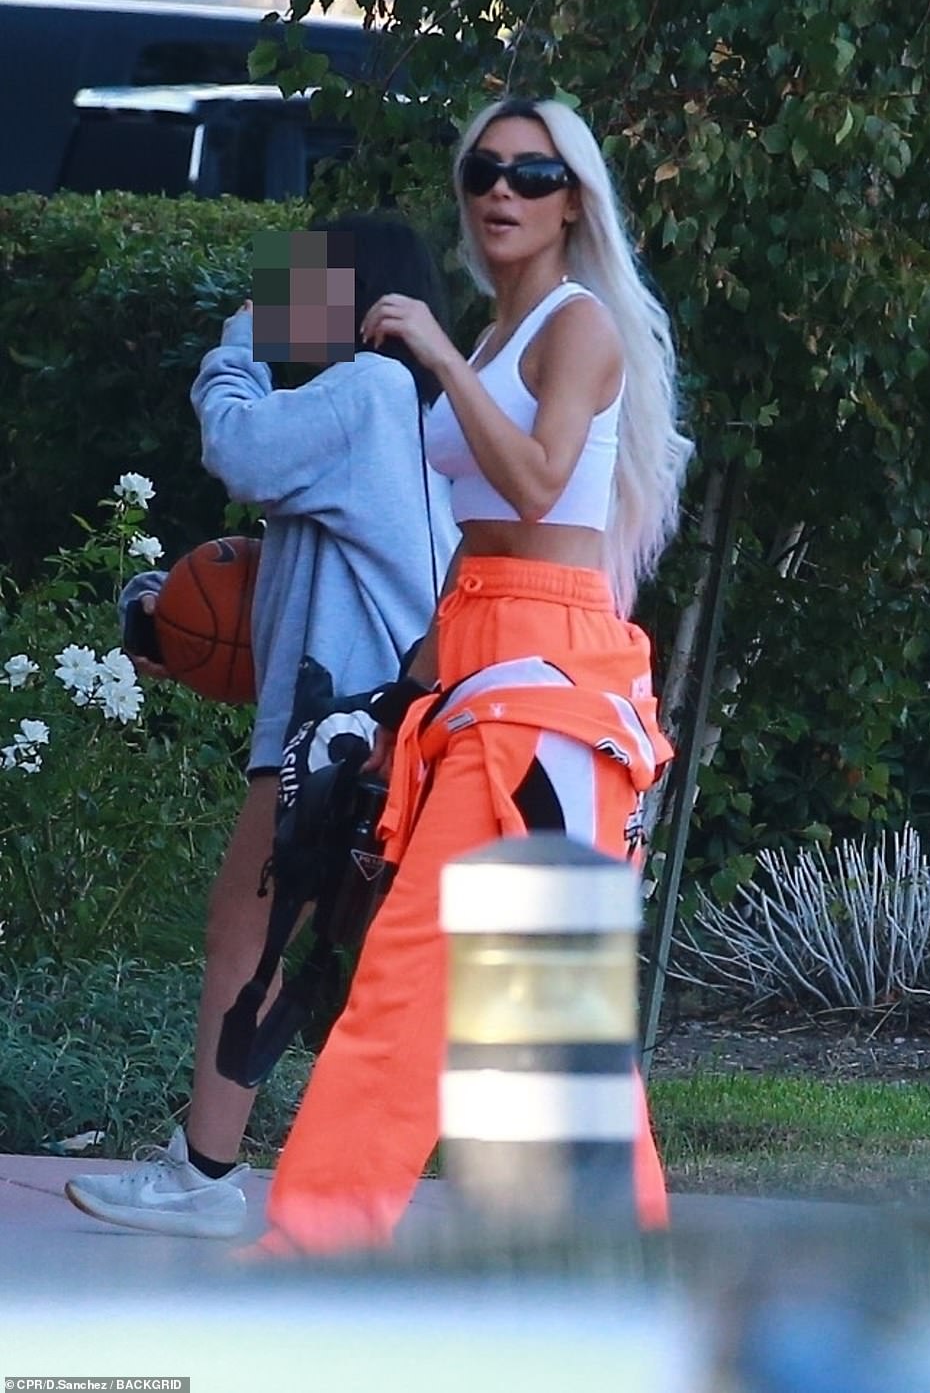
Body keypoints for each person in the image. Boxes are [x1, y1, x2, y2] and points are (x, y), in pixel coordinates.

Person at [257, 97, 694, 1256]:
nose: (502, 190)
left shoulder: (573, 325)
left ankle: (314, 1247)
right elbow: (478, 534)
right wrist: (407, 683)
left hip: (544, 681)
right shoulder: (501, 334)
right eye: (484, 170)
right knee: (540, 1014)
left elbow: (542, 486)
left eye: (533, 173)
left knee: (417, 971)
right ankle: (605, 1273)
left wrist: (439, 359)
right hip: (481, 663)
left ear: (571, 199)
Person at [64, 213, 459, 1238]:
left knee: (253, 937)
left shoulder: (367, 390)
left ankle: (205, 1175)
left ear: (355, 292)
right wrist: (170, 611)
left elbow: (239, 449)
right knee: (331, 961)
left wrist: (235, 344)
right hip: (364, 727)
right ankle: (326, 1179)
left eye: (298, 281)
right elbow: (285, 579)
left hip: (336, 735)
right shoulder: (389, 409)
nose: (280, 296)